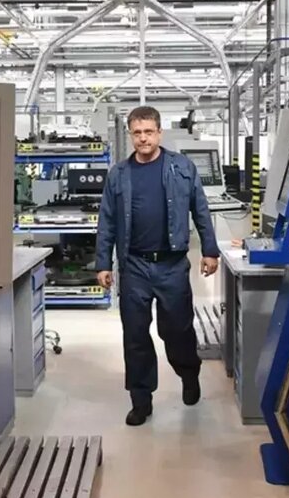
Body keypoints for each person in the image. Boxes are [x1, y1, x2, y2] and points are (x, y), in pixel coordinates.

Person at [94, 105, 220, 426]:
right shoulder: (118, 174)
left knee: (176, 330)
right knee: (135, 335)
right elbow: (107, 221)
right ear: (130, 135)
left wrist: (210, 250)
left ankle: (188, 373)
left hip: (172, 265)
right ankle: (141, 400)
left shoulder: (182, 167)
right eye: (137, 133)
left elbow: (200, 210)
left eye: (149, 132)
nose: (143, 138)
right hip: (134, 265)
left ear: (159, 133)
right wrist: (103, 262)